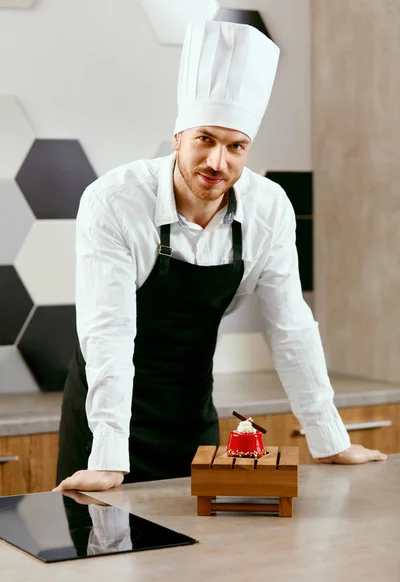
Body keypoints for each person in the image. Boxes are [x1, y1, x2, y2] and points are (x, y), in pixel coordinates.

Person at [54, 21, 386, 494]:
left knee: (201, 561)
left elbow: (290, 327)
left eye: (235, 147)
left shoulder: (269, 209)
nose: (217, 163)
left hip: (192, 417)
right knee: (98, 558)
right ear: (177, 139)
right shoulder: (114, 201)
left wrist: (329, 439)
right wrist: (108, 454)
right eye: (205, 139)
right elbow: (108, 333)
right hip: (101, 422)